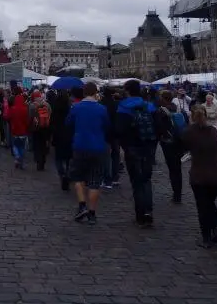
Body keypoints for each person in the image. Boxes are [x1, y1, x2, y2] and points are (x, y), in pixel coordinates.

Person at [181, 105, 217, 248]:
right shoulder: (214, 131)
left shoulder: (189, 132)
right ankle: (216, 229)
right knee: (210, 202)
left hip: (199, 175)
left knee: (203, 206)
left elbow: (181, 148)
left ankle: (206, 237)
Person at [116, 79, 158, 227]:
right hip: (148, 147)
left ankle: (140, 215)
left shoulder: (123, 107)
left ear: (127, 91)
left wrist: (124, 146)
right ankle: (148, 211)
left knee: (136, 181)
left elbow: (120, 130)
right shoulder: (149, 105)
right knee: (146, 179)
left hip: (132, 147)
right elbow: (157, 125)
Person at [66, 82, 109, 225]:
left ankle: (82, 204)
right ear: (96, 92)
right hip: (98, 147)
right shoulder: (102, 109)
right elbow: (107, 126)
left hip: (80, 146)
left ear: (84, 92)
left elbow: (68, 124)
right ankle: (92, 213)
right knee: (95, 182)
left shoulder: (76, 107)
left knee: (77, 177)